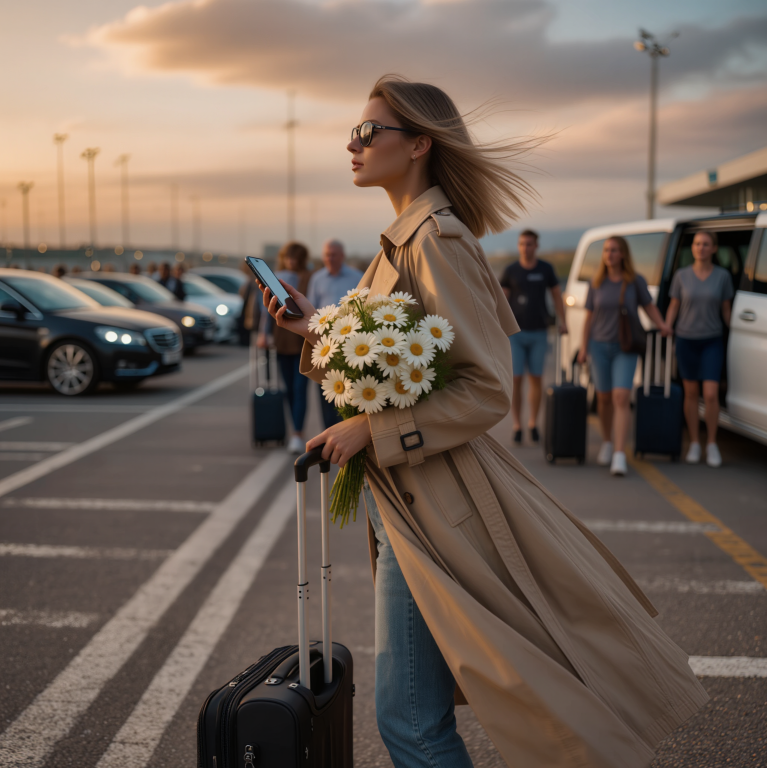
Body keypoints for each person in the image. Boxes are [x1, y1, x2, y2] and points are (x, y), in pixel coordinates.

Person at [259, 75, 707, 768]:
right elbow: (389, 364)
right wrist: (310, 328)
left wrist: (368, 433)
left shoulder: (435, 241)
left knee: (410, 722)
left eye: (367, 130)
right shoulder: (397, 244)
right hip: (409, 500)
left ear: (418, 144)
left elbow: (486, 388)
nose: (352, 143)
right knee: (417, 713)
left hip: (435, 502)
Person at [577, 237, 670, 476]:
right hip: (598, 346)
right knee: (604, 398)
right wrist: (583, 347)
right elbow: (588, 317)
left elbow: (649, 306)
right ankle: (607, 442)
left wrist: (662, 324)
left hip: (625, 347)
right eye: (607, 250)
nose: (609, 254)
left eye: (614, 250)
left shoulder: (634, 281)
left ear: (623, 254)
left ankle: (619, 454)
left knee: (621, 396)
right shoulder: (596, 282)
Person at [665, 231, 733, 467]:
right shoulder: (681, 276)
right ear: (692, 248)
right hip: (686, 340)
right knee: (691, 393)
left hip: (712, 341)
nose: (700, 248)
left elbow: (726, 310)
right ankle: (694, 443)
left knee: (711, 394)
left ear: (714, 249)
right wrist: (666, 327)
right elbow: (674, 305)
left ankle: (712, 443)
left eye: (705, 244)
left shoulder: (722, 276)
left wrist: (738, 328)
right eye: (696, 244)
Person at [499, 229, 566, 444]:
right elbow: (501, 299)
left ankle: (533, 423)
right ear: (518, 246)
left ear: (536, 246)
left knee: (536, 378)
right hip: (515, 333)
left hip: (539, 331)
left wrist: (562, 321)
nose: (525, 248)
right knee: (516, 380)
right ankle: (518, 424)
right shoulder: (511, 270)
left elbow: (556, 295)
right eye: (522, 244)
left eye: (529, 244)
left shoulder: (545, 269)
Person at [258, 242, 312, 454]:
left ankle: (297, 433)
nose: (291, 261)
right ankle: (295, 430)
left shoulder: (309, 276)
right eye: (288, 257)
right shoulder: (277, 276)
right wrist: (264, 333)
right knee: (288, 389)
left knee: (300, 389)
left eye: (295, 257)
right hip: (282, 338)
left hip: (302, 340)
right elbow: (266, 311)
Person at [306, 239, 363, 428]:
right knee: (326, 390)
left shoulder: (357, 277)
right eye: (327, 255)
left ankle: (348, 430)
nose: (330, 258)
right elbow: (311, 311)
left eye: (334, 254)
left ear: (342, 256)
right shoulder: (317, 279)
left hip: (351, 343)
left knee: (349, 391)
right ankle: (328, 434)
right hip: (325, 344)